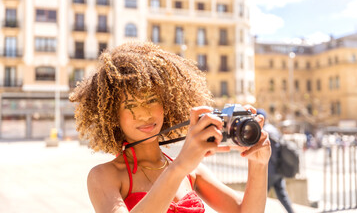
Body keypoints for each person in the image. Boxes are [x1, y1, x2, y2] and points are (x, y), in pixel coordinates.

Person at [69, 41, 271, 213]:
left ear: (167, 104)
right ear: (113, 116)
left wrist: (259, 164)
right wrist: (179, 167)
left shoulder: (193, 171)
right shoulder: (104, 176)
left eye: (152, 100)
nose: (145, 114)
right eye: (130, 105)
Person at [256, 109, 294, 213]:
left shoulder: (265, 132)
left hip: (271, 170)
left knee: (260, 196)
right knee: (282, 194)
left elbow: (271, 152)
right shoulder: (273, 129)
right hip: (278, 169)